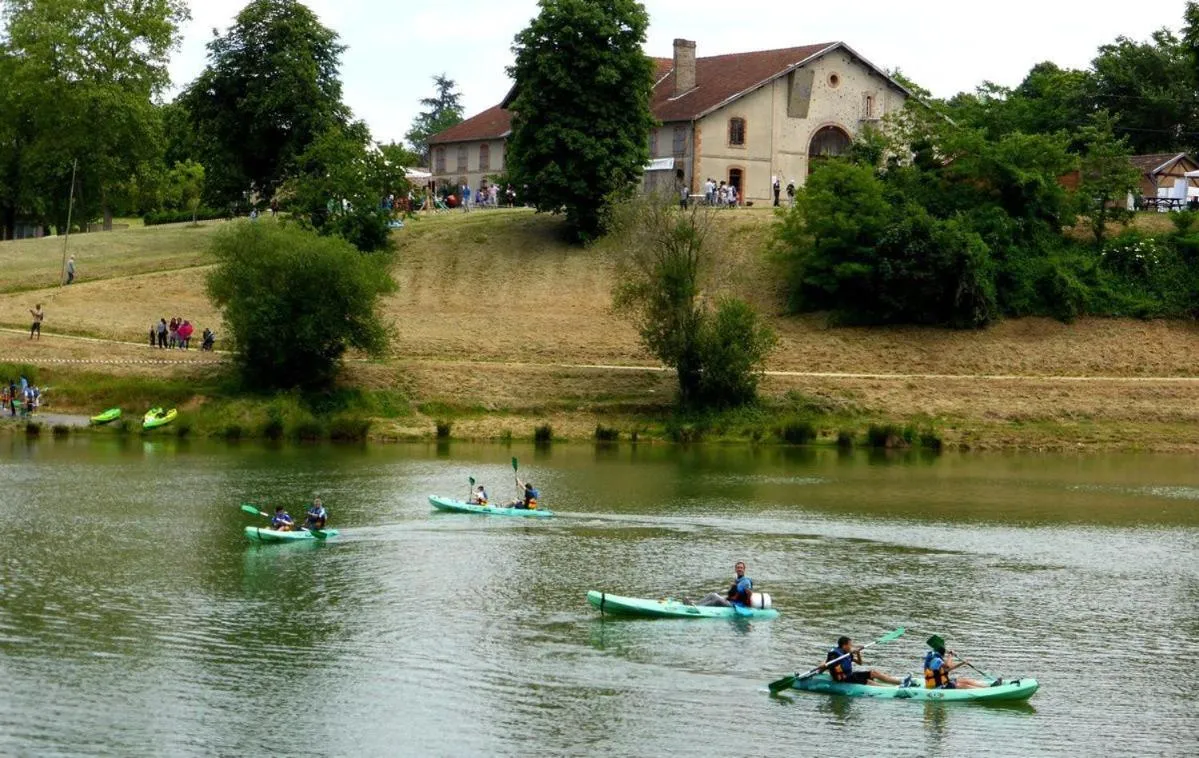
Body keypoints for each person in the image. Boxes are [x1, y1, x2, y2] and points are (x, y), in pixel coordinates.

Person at [821, 636, 910, 687]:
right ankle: (891, 690)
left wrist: (858, 653)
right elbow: (826, 664)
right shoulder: (835, 654)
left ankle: (901, 682)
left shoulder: (848, 653)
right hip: (843, 679)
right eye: (850, 645)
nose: (851, 646)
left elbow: (860, 663)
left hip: (851, 675)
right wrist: (821, 667)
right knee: (868, 681)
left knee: (874, 673)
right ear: (844, 646)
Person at [923, 635, 997, 689]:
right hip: (936, 686)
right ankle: (985, 691)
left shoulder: (937, 658)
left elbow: (948, 669)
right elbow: (948, 666)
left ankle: (989, 687)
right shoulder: (934, 659)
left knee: (965, 680)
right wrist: (950, 655)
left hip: (943, 682)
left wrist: (962, 663)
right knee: (963, 686)